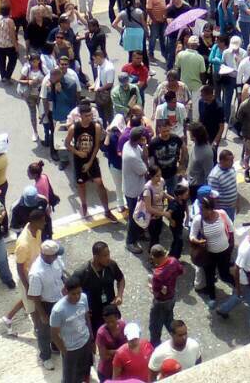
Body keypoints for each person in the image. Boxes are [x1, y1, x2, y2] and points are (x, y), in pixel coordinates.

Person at [64, 101, 117, 221]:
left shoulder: (96, 127)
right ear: (80, 116)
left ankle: (107, 210)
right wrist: (78, 153)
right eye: (87, 116)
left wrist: (89, 162)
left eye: (90, 115)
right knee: (81, 184)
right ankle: (83, 205)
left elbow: (97, 145)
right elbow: (67, 144)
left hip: (91, 159)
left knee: (99, 183)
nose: (89, 118)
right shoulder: (74, 128)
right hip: (78, 160)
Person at [215, 222, 250, 339]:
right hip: (246, 282)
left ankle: (223, 310)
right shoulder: (246, 249)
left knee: (239, 297)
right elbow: (236, 269)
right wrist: (238, 288)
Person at [28, 238, 67, 369]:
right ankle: (45, 356)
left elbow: (61, 275)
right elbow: (35, 296)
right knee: (44, 331)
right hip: (46, 304)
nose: (57, 257)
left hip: (60, 299)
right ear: (47, 255)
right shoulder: (36, 273)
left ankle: (55, 346)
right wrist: (42, 314)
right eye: (55, 255)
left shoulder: (56, 260)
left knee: (58, 327)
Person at [50, 275, 94, 383]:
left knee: (86, 368)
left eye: (79, 292)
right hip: (71, 349)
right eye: (73, 294)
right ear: (66, 292)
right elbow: (54, 335)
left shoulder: (84, 298)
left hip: (85, 340)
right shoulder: (58, 310)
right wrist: (64, 351)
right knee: (70, 377)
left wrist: (91, 337)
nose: (77, 296)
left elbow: (86, 317)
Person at [76, 240, 125, 336]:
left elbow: (121, 279)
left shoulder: (111, 265)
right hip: (94, 314)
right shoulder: (83, 272)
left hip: (111, 309)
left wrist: (119, 295)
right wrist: (81, 309)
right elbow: (69, 291)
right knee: (99, 338)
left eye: (108, 254)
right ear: (96, 257)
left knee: (118, 334)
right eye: (105, 256)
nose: (108, 258)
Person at [148, 244, 184, 347]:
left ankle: (155, 346)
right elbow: (181, 271)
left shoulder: (158, 274)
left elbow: (156, 292)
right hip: (171, 298)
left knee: (155, 326)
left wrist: (150, 285)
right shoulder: (174, 261)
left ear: (154, 257)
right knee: (169, 320)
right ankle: (179, 338)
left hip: (160, 303)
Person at [122, 125, 148, 254]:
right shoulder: (131, 155)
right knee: (134, 216)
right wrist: (146, 153)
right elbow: (144, 170)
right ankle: (130, 242)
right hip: (134, 191)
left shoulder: (129, 144)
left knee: (139, 213)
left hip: (135, 187)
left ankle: (139, 234)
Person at [96, 305, 126, 382]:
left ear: (117, 317)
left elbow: (129, 346)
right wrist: (120, 352)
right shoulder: (101, 333)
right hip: (106, 372)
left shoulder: (123, 325)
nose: (110, 324)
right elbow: (103, 356)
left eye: (112, 321)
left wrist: (109, 351)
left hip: (122, 370)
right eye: (107, 322)